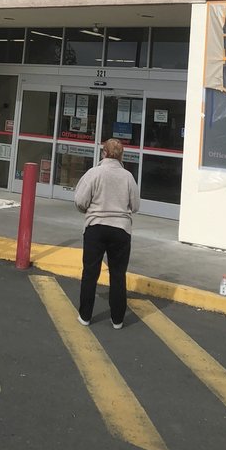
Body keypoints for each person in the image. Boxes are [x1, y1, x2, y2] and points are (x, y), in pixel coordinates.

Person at [74, 138, 140, 329]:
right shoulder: (128, 177)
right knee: (118, 274)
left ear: (103, 153)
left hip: (96, 227)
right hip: (121, 229)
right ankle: (117, 319)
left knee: (90, 273)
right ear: (122, 156)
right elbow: (135, 205)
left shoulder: (94, 173)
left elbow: (80, 200)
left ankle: (85, 316)